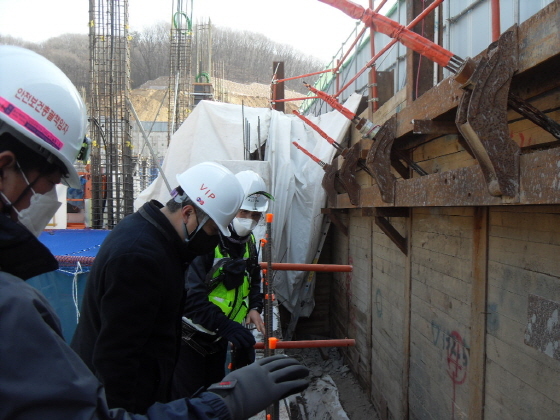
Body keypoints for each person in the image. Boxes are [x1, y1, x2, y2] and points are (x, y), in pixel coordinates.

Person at [0, 45, 309, 420]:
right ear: (190, 212)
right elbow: (115, 370)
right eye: (49, 183)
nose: (216, 237)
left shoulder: (154, 244)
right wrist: (222, 405)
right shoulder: (140, 256)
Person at [172, 170, 274, 399]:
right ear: (230, 207)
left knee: (214, 399)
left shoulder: (248, 243)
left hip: (218, 340)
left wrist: (254, 307)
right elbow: (190, 297)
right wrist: (229, 327)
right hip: (190, 340)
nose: (250, 219)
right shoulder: (206, 241)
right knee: (189, 402)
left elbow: (254, 278)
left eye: (256, 215)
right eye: (244, 211)